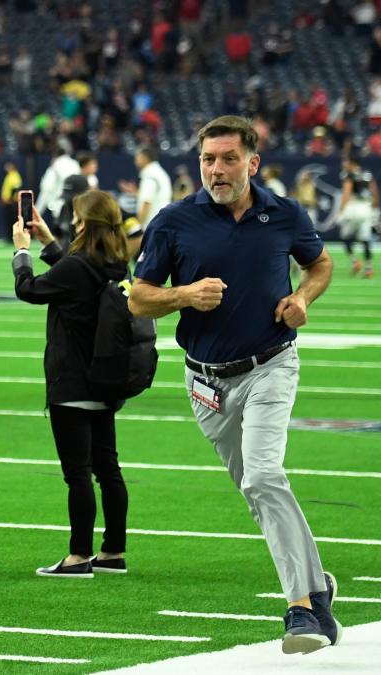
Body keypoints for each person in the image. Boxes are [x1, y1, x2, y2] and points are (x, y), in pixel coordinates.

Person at [129, 115, 340, 655]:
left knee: (264, 476)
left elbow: (320, 264)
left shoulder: (285, 213)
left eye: (226, 159)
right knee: (258, 492)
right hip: (206, 382)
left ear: (253, 161)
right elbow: (139, 296)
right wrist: (184, 296)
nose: (216, 170)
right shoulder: (174, 221)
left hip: (271, 364)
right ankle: (318, 589)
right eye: (207, 159)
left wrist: (302, 300)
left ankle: (300, 610)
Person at [12, 191, 130, 578]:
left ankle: (78, 556)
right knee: (108, 469)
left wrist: (22, 252)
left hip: (72, 381)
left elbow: (29, 289)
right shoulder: (115, 263)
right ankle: (113, 551)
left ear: (82, 222)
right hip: (106, 379)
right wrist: (49, 241)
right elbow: (75, 272)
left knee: (77, 473)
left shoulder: (79, 267)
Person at [337, 156, 377, 278]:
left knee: (345, 236)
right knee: (365, 239)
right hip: (366, 208)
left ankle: (355, 261)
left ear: (352, 163)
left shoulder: (349, 175)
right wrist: (374, 207)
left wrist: (341, 210)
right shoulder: (367, 174)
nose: (345, 165)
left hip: (353, 208)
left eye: (347, 162)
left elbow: (347, 193)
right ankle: (369, 268)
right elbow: (374, 192)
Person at [35, 140, 81, 228]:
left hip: (58, 205)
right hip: (75, 204)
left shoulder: (55, 166)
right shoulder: (75, 164)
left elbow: (46, 188)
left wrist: (37, 211)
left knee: (59, 234)